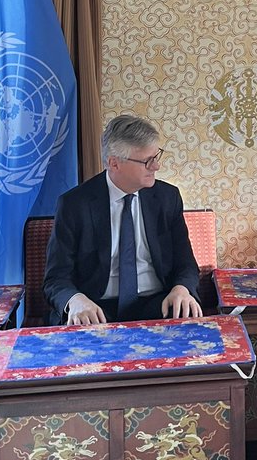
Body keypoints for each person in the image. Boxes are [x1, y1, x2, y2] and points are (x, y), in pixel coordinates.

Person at [43, 114, 203, 325]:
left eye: (157, 157)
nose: (156, 167)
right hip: (96, 307)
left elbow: (186, 264)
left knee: (188, 318)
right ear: (114, 163)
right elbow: (55, 278)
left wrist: (181, 289)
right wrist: (75, 300)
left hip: (159, 303)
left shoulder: (167, 198)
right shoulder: (74, 205)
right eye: (147, 161)